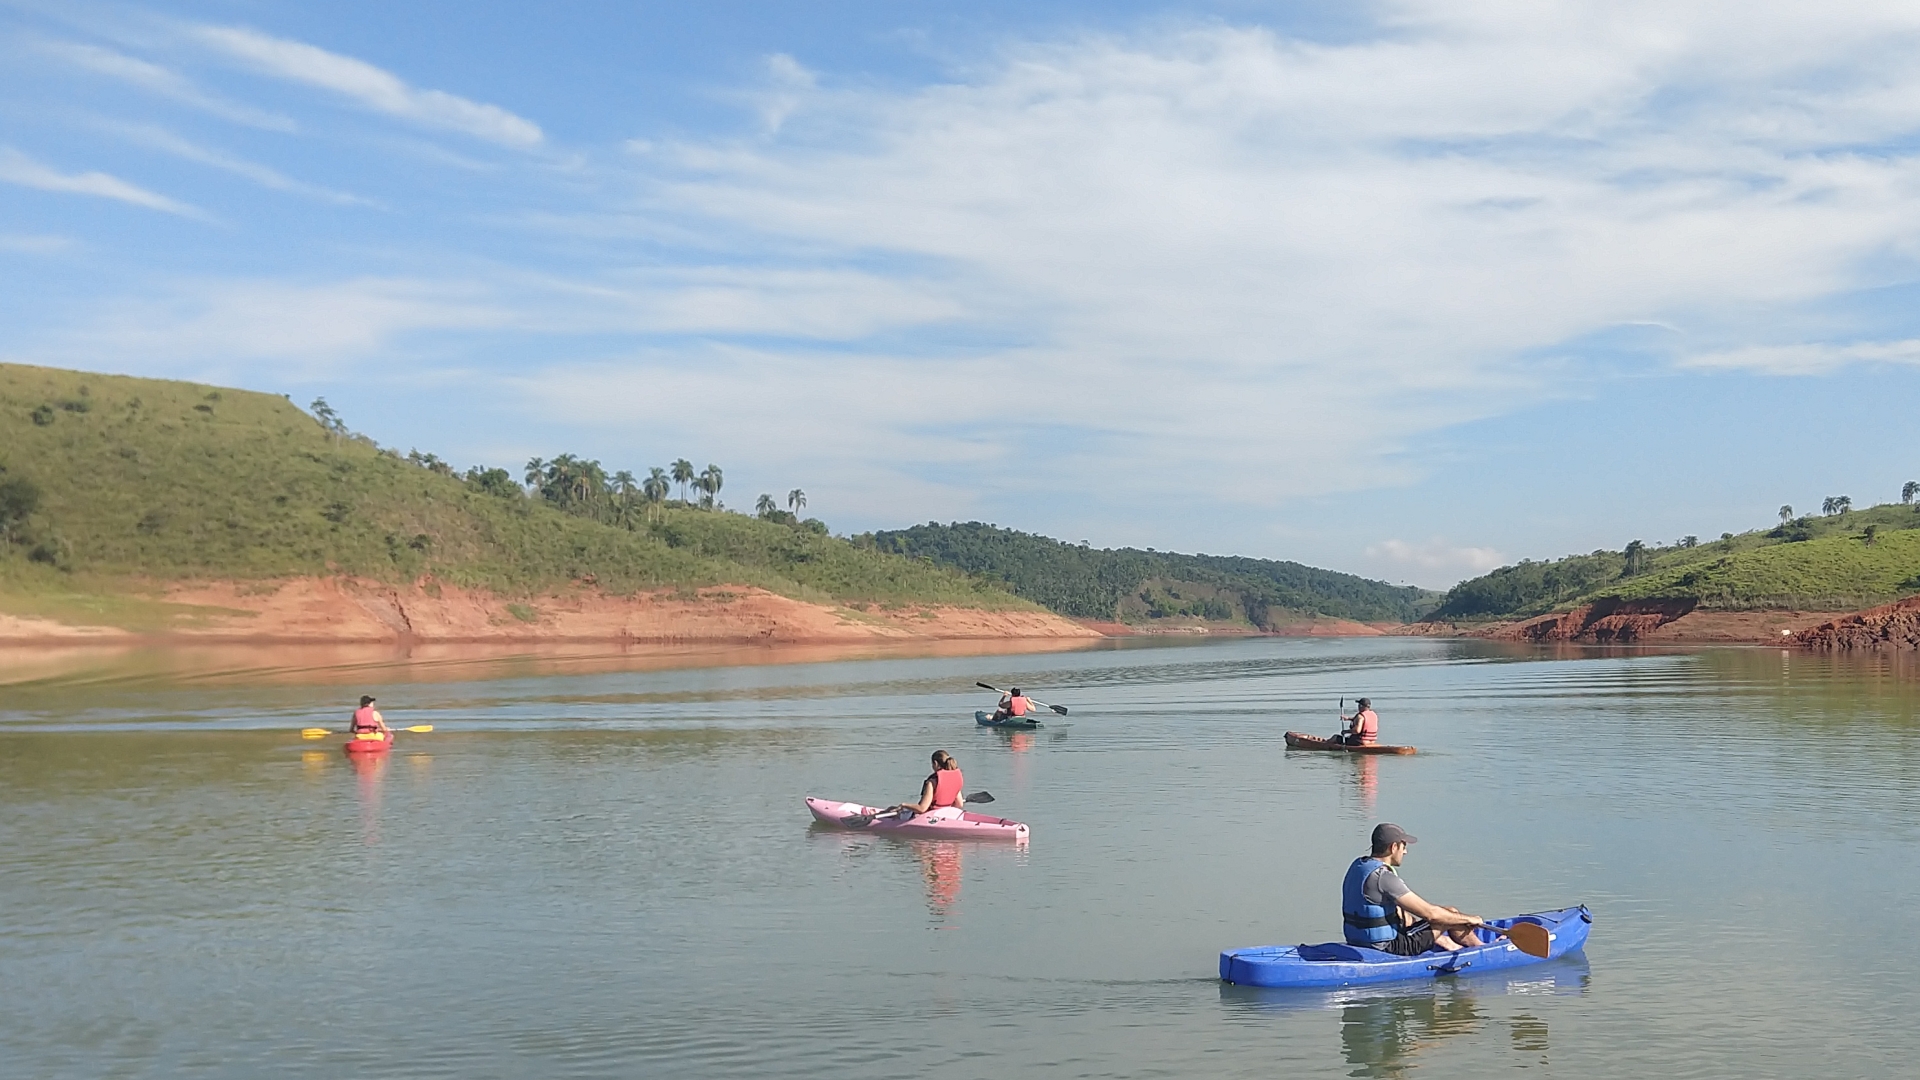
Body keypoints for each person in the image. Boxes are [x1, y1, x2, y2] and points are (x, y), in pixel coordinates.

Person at [1341, 823, 1487, 955]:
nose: (1405, 852)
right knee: (1450, 914)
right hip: (1387, 947)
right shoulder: (1384, 878)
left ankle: (1449, 944)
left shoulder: (1359, 866)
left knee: (1415, 917)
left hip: (1358, 941)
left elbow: (1398, 912)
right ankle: (1482, 950)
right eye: (1403, 846)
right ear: (1393, 847)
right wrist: (1471, 919)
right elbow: (1431, 914)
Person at [887, 751, 966, 819]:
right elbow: (959, 804)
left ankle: (877, 819)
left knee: (891, 810)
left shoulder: (932, 782)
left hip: (929, 817)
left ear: (935, 763)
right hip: (947, 815)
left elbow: (922, 808)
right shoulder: (954, 779)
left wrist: (903, 805)